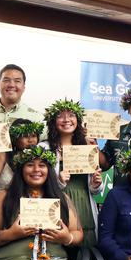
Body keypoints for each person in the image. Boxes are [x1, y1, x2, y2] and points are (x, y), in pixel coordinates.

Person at [43, 98, 101, 248]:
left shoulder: (87, 147)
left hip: (84, 204)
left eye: (71, 115)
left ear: (78, 120)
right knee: (58, 245)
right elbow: (37, 182)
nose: (66, 120)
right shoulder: (44, 147)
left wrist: (95, 184)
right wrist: (59, 180)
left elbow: (93, 189)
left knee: (86, 253)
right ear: (53, 122)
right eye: (60, 116)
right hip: (58, 202)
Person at [0, 118, 42, 201]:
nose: (30, 140)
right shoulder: (3, 155)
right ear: (14, 139)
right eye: (25, 136)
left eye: (33, 136)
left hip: (25, 206)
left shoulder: (38, 157)